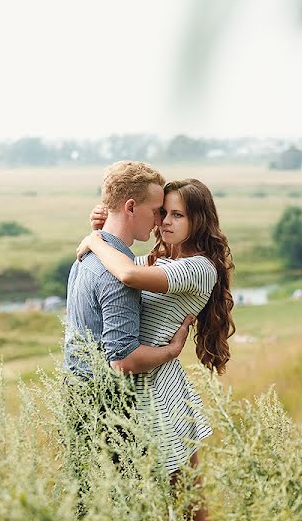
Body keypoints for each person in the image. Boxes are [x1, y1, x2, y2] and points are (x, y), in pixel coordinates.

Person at [79, 178, 235, 521]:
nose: (165, 221)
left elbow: (128, 276)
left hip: (161, 393)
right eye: (163, 212)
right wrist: (104, 229)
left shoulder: (199, 268)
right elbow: (118, 264)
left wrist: (94, 241)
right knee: (150, 499)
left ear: (199, 220)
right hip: (142, 385)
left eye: (177, 215)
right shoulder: (158, 259)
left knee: (188, 499)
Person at [62, 161, 196, 515]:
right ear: (131, 207)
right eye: (156, 211)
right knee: (123, 505)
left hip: (74, 393)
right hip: (106, 404)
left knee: (85, 500)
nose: (159, 222)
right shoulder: (115, 273)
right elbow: (122, 360)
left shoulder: (86, 257)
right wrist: (171, 350)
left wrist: (96, 230)